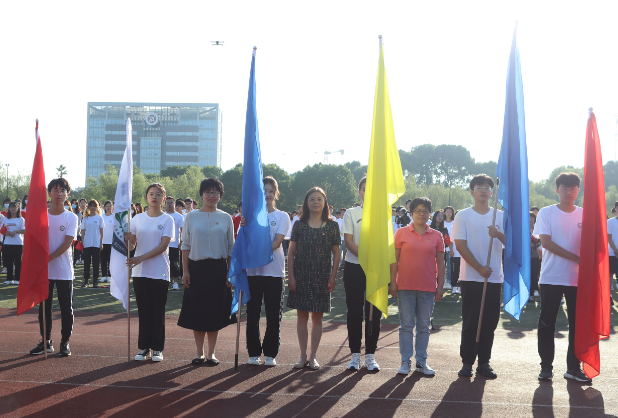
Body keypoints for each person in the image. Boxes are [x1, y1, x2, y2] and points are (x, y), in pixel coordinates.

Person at [533, 173, 589, 382]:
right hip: (551, 277)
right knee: (547, 323)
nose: (568, 192)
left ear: (578, 190)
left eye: (573, 188)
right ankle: (546, 367)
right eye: (564, 188)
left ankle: (573, 368)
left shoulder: (584, 214)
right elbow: (546, 243)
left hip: (577, 279)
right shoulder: (546, 213)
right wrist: (575, 257)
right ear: (557, 190)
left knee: (577, 325)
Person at [451, 174, 504, 379]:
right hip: (471, 276)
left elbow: (513, 244)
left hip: (494, 277)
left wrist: (498, 234)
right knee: (471, 320)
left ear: (492, 192)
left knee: (489, 322)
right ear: (472, 191)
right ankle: (467, 362)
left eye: (487, 187)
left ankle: (484, 362)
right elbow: (460, 245)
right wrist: (479, 268)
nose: (483, 190)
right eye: (479, 187)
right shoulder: (463, 215)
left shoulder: (500, 216)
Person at [177, 178, 235, 366]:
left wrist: (230, 272)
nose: (212, 195)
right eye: (208, 192)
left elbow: (230, 248)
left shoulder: (226, 218)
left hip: (218, 269)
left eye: (216, 192)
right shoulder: (191, 217)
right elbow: (185, 245)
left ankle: (211, 353)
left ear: (220, 195)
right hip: (196, 269)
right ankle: (199, 352)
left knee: (215, 312)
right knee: (197, 311)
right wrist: (185, 270)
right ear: (201, 194)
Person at [287, 187, 340, 370]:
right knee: (302, 316)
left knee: (318, 317)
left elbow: (336, 253)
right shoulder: (299, 225)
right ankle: (302, 356)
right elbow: (291, 252)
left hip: (322, 277)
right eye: (312, 199)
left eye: (319, 199)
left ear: (325, 202)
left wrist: (333, 276)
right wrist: (291, 276)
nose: (315, 202)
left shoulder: (332, 226)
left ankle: (313, 356)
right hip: (301, 276)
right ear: (306, 203)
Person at [391, 197, 445, 375]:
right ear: (411, 213)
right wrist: (393, 282)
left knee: (423, 327)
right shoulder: (401, 233)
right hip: (405, 286)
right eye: (418, 211)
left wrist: (440, 286)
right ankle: (405, 361)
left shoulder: (436, 235)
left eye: (425, 211)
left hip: (428, 287)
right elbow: (394, 260)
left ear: (430, 213)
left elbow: (441, 263)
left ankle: (421, 362)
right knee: (406, 326)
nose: (422, 214)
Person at [243, 176, 291, 367]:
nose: (268, 195)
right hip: (253, 273)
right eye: (264, 191)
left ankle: (270, 353)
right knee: (252, 314)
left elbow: (277, 242)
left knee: (273, 315)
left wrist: (257, 252)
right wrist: (244, 227)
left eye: (271, 191)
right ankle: (254, 352)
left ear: (276, 193)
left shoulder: (282, 216)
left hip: (274, 272)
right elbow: (244, 242)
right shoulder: (250, 216)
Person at [125, 183, 174, 362]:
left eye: (158, 194)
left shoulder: (168, 220)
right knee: (144, 311)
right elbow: (132, 246)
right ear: (146, 197)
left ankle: (158, 348)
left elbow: (163, 246)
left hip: (160, 271)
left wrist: (140, 258)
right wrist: (126, 240)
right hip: (140, 272)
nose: (154, 197)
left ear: (163, 198)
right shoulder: (137, 219)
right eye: (151, 194)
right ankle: (144, 347)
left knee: (158, 311)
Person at [30, 178, 78, 357]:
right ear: (49, 193)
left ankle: (65, 342)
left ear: (67, 194)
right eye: (55, 190)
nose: (59, 193)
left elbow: (68, 242)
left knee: (66, 309)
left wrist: (48, 258)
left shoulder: (71, 217)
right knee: (44, 308)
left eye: (62, 190)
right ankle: (46, 341)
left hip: (64, 270)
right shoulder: (42, 215)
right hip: (44, 271)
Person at [341, 177, 381, 371]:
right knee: (355, 312)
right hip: (354, 267)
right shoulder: (351, 213)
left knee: (374, 313)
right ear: (359, 192)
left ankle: (370, 356)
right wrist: (366, 258)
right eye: (364, 189)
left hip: (376, 269)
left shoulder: (383, 214)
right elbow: (348, 241)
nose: (368, 192)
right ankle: (355, 355)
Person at [80, 200, 104, 288]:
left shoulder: (99, 218)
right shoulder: (85, 218)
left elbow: (101, 232)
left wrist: (101, 243)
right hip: (87, 244)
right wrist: (82, 242)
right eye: (91, 206)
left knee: (96, 263)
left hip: (96, 244)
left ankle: (95, 281)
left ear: (97, 207)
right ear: (88, 207)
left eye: (94, 206)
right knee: (86, 263)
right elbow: (83, 231)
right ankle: (86, 280)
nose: (93, 208)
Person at [2, 202, 25, 285]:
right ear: (9, 209)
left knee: (18, 261)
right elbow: (2, 230)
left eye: (15, 207)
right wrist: (6, 233)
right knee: (9, 261)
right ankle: (9, 278)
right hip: (7, 243)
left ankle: (17, 279)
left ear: (18, 209)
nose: (13, 209)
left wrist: (16, 231)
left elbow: (24, 230)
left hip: (18, 243)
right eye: (11, 207)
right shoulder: (5, 219)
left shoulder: (21, 219)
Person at [165, 196, 184, 290]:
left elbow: (183, 231)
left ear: (174, 204)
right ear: (165, 204)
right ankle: (165, 279)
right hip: (163, 245)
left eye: (171, 203)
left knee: (174, 264)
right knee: (164, 263)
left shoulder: (179, 216)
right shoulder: (162, 216)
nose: (169, 205)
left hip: (174, 245)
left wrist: (181, 243)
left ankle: (175, 282)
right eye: (168, 203)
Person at [430, 210, 451, 290]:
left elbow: (447, 241)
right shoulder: (430, 228)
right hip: (430, 252)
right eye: (438, 215)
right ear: (434, 216)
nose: (440, 217)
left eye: (442, 216)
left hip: (441, 252)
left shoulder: (444, 229)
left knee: (440, 269)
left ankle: (439, 286)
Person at [100, 201, 114, 283]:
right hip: (103, 241)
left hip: (112, 242)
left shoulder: (115, 217)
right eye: (107, 206)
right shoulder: (101, 217)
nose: (108, 208)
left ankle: (110, 275)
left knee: (110, 260)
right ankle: (103, 275)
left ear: (112, 207)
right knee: (103, 260)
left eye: (110, 206)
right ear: (104, 207)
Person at [529, 211, 542, 303]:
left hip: (535, 256)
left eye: (532, 218)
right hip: (525, 258)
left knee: (534, 275)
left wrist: (534, 245)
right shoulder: (522, 230)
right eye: (528, 218)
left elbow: (541, 242)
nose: (530, 220)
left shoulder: (537, 231)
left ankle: (532, 294)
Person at [443, 206, 456, 292]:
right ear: (444, 213)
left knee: (450, 266)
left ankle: (449, 282)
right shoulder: (442, 223)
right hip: (442, 247)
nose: (449, 213)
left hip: (451, 248)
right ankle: (442, 282)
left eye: (450, 212)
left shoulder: (455, 223)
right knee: (442, 266)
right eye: (447, 211)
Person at [607, 201, 618, 293]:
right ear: (615, 209)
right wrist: (615, 250)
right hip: (612, 253)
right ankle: (608, 295)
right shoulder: (610, 222)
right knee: (610, 273)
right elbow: (609, 238)